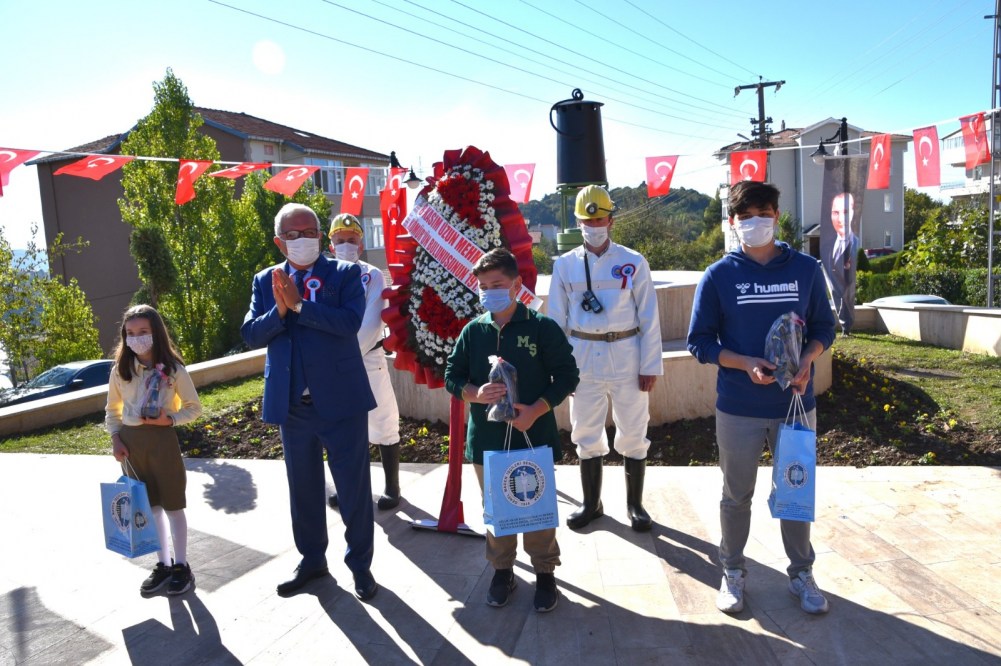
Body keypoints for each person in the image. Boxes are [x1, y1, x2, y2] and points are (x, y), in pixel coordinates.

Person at [687, 180, 836, 616]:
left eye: (764, 215)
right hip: (739, 407)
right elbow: (700, 342)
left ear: (777, 216)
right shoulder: (719, 276)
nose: (756, 223)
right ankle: (732, 570)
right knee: (736, 495)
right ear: (733, 222)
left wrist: (808, 358)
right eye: (747, 217)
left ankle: (801, 573)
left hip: (795, 405)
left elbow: (825, 327)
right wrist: (744, 363)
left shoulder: (806, 269)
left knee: (796, 490)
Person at [241, 203, 378, 600]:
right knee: (303, 490)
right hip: (292, 405)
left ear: (320, 235)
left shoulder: (345, 273)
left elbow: (349, 323)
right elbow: (251, 334)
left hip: (341, 402)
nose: (302, 239)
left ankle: (360, 566)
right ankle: (313, 560)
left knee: (353, 489)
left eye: (309, 231)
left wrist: (301, 306)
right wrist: (281, 311)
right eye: (292, 234)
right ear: (279, 241)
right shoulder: (265, 280)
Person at [445, 248, 579, 613]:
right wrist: (475, 393)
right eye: (483, 286)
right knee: (496, 508)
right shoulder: (474, 331)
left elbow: (567, 376)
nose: (490, 292)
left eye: (497, 284)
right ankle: (502, 571)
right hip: (487, 440)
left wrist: (536, 410)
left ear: (517, 284)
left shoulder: (541, 327)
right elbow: (452, 376)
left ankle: (545, 573)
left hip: (532, 435)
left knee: (536, 505)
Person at [547, 184, 662, 532]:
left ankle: (635, 505)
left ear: (611, 220)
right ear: (578, 221)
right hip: (582, 357)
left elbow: (649, 317)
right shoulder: (565, 266)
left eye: (600, 219)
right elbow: (556, 322)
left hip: (627, 355)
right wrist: (560, 372)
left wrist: (650, 366)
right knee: (585, 431)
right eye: (587, 220)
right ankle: (591, 503)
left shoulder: (633, 261)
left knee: (634, 430)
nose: (594, 225)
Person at [106, 304, 203, 597]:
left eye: (143, 332)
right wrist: (116, 439)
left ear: (156, 333)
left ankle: (182, 566)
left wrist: (169, 419)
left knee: (173, 505)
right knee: (150, 507)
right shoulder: (121, 371)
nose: (137, 338)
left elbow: (194, 408)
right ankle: (164, 564)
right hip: (132, 445)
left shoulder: (174, 370)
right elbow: (112, 410)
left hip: (162, 442)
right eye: (130, 333)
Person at [326, 213, 402, 511]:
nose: (346, 245)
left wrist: (341, 356)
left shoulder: (372, 275)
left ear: (361, 244)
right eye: (340, 240)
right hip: (331, 363)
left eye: (351, 240)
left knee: (383, 419)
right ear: (330, 245)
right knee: (340, 426)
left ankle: (392, 487)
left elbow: (372, 322)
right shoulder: (321, 275)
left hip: (367, 358)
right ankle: (348, 487)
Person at [829, 192, 861, 335]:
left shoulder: (855, 243)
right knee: (836, 300)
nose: (841, 218)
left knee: (845, 301)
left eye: (845, 212)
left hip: (846, 279)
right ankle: (843, 326)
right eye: (836, 212)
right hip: (833, 278)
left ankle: (846, 328)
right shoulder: (829, 243)